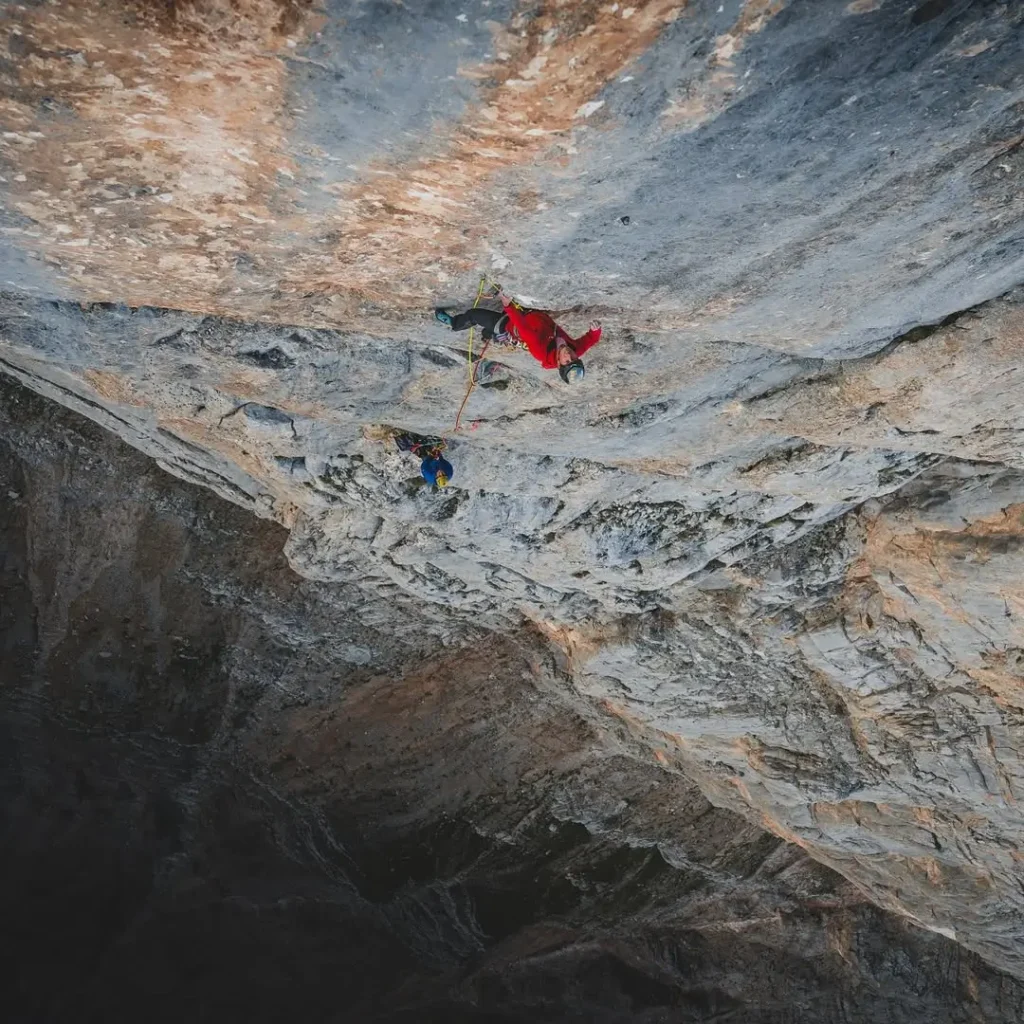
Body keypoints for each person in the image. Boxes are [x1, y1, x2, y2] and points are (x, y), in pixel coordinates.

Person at [435, 289, 601, 383]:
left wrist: (507, 305)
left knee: (474, 315)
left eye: (567, 361)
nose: (569, 355)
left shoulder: (540, 352)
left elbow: (524, 330)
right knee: (492, 329)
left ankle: (454, 324)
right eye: (573, 358)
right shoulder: (575, 350)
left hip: (511, 324)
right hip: (532, 317)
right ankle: (488, 334)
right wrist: (595, 330)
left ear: (559, 364)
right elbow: (591, 340)